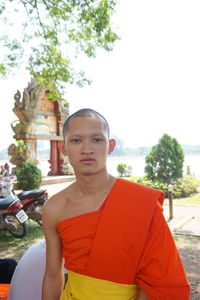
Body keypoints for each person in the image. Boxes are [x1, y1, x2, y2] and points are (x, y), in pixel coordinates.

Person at [42, 108, 190, 300]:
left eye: (97, 139)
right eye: (76, 140)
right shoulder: (54, 208)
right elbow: (53, 278)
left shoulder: (140, 201)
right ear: (63, 148)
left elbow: (160, 277)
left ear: (110, 146)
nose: (87, 149)